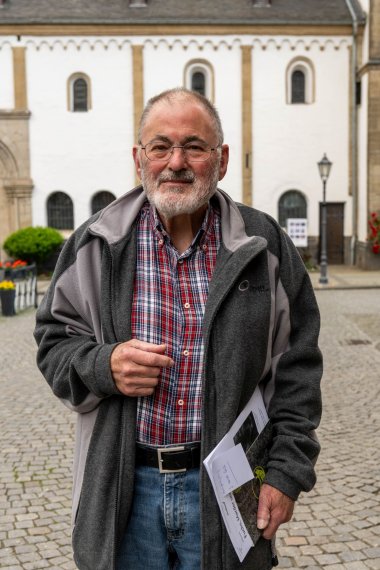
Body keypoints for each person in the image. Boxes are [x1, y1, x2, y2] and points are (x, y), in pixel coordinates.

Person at [34, 87, 322, 570]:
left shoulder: (264, 244)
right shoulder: (96, 242)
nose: (175, 162)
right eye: (160, 146)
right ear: (138, 158)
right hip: (126, 484)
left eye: (194, 146)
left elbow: (298, 371)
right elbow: (53, 343)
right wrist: (104, 366)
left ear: (222, 159)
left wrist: (286, 472)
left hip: (229, 484)